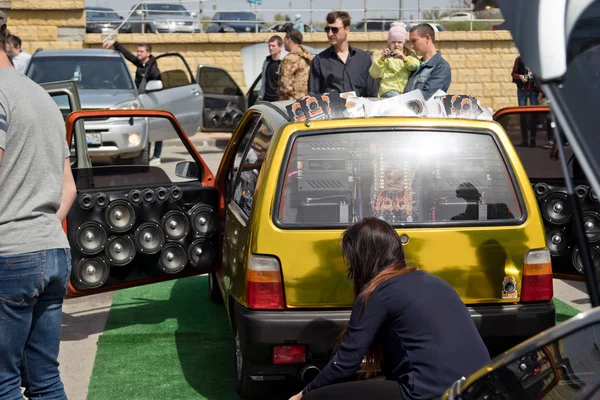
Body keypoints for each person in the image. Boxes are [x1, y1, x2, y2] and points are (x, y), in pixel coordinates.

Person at [288, 218, 491, 400]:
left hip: (430, 392)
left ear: (362, 260)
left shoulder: (378, 292)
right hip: (476, 386)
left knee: (317, 397)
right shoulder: (433, 281)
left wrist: (303, 394)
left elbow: (345, 364)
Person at [0, 10, 77, 400]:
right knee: (45, 379)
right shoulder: (41, 94)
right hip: (52, 250)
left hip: (10, 254)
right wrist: (41, 223)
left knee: (3, 383)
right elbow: (69, 188)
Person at [103, 39, 163, 165]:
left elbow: (157, 86)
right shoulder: (140, 64)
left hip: (153, 101)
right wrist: (115, 43)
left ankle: (157, 155)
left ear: (148, 53)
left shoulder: (153, 70)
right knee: (146, 128)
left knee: (156, 128)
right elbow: (128, 55)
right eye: (138, 51)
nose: (138, 54)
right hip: (141, 100)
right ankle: (146, 154)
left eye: (141, 51)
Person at [308, 11, 377, 97]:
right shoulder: (319, 61)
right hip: (332, 110)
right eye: (327, 29)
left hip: (359, 109)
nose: (330, 34)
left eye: (334, 29)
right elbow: (313, 96)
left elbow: (371, 94)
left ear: (347, 29)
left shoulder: (364, 59)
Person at [369, 22, 420, 98]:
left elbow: (416, 65)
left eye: (399, 42)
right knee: (396, 98)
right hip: (388, 90)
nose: (396, 45)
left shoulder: (408, 55)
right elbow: (374, 74)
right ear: (389, 42)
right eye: (393, 42)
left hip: (404, 91)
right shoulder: (385, 56)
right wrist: (381, 60)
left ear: (404, 43)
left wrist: (404, 59)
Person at [403, 23, 452, 100]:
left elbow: (426, 96)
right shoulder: (415, 66)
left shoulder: (441, 67)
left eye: (414, 41)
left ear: (427, 38)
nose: (411, 46)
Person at [512, 56, 540, 147]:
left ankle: (533, 139)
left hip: (533, 90)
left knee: (534, 115)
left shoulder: (536, 59)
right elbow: (513, 74)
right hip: (522, 90)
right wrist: (520, 76)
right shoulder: (519, 60)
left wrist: (540, 91)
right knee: (523, 115)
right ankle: (524, 139)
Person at [278, 29, 313, 101]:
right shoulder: (307, 56)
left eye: (284, 39)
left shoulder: (290, 58)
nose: (283, 42)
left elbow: (285, 85)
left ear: (289, 40)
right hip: (306, 100)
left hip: (291, 103)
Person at [259, 35, 283, 102]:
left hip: (278, 100)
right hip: (266, 98)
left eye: (273, 46)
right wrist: (261, 96)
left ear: (280, 47)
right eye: (269, 46)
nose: (270, 48)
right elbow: (263, 80)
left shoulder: (282, 63)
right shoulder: (266, 62)